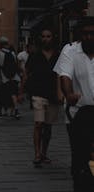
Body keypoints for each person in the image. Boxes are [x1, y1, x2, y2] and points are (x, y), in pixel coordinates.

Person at [55, 17, 94, 192]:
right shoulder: (70, 51)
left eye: (92, 33)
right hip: (80, 115)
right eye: (85, 33)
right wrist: (69, 94)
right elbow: (65, 76)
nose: (89, 37)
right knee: (81, 160)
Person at [21, 28, 61, 167]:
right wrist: (22, 90)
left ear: (52, 38)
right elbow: (26, 72)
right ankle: (37, 153)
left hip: (53, 94)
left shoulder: (58, 55)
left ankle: (44, 152)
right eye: (43, 36)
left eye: (48, 36)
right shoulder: (35, 55)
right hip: (38, 93)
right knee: (38, 124)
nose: (46, 39)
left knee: (48, 126)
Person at [0, 37, 21, 118]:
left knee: (2, 94)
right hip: (14, 77)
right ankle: (15, 110)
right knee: (13, 93)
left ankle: (2, 110)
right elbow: (16, 65)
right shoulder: (12, 53)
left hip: (4, 78)